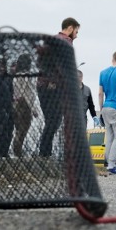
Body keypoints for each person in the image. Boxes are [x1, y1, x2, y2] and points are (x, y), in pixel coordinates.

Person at [37, 17, 79, 156]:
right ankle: (44, 154)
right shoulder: (66, 41)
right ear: (70, 28)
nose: (76, 36)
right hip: (53, 87)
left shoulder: (51, 40)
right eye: (76, 32)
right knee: (54, 121)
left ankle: (44, 153)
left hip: (42, 85)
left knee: (51, 121)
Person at [11, 54, 38, 157]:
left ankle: (17, 151)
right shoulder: (26, 76)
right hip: (24, 105)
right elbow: (27, 94)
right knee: (22, 130)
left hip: (17, 104)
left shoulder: (16, 76)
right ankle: (17, 151)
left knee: (19, 130)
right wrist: (33, 109)